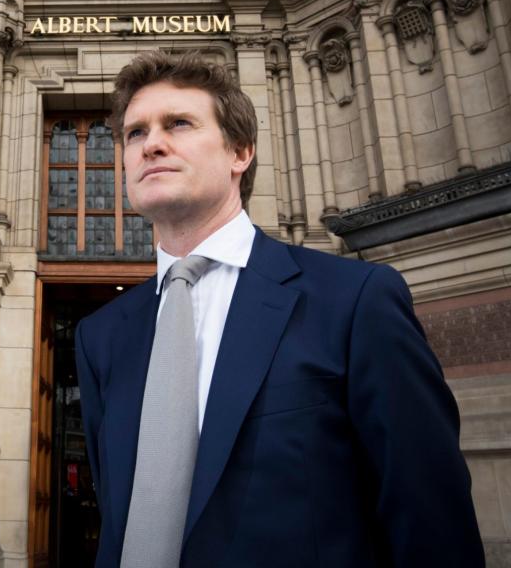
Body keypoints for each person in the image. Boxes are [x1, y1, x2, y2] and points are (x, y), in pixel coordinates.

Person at [74, 50, 484, 567]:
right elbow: (119, 513)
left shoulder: (353, 300)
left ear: (239, 151)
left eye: (178, 124)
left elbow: (428, 513)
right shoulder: (102, 334)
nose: (151, 144)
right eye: (135, 133)